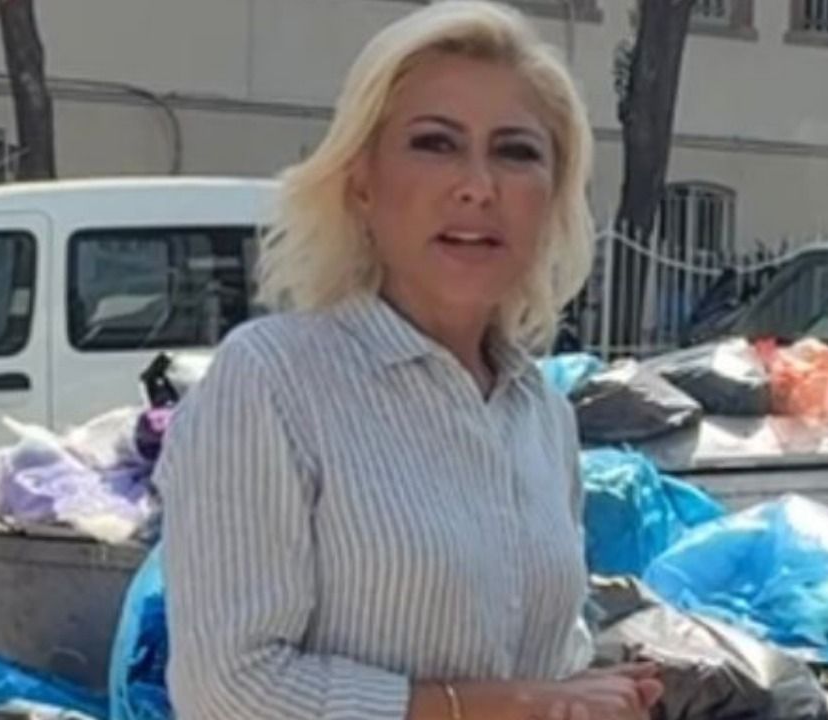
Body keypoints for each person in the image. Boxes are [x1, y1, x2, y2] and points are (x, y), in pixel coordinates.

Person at [155, 2, 664, 718]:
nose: (478, 186)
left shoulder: (541, 415)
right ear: (362, 180)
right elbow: (228, 690)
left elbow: (546, 661)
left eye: (516, 152)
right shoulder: (274, 380)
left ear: (552, 196)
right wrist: (506, 705)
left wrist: (585, 697)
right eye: (435, 143)